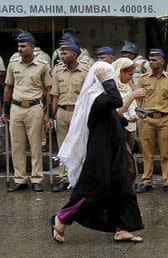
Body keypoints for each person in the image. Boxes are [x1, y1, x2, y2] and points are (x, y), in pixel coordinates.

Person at [51, 62, 144, 244]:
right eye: (109, 76)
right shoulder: (94, 97)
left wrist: (125, 119)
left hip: (114, 151)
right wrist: (105, 80)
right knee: (93, 190)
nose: (112, 80)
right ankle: (61, 217)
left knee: (123, 187)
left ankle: (122, 228)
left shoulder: (102, 97)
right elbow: (116, 101)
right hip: (101, 153)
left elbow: (111, 116)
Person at [4, 31, 52, 192]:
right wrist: (5, 111)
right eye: (19, 46)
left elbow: (48, 90)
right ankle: (20, 179)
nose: (20, 48)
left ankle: (37, 178)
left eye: (23, 46)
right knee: (17, 146)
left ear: (32, 47)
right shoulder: (13, 64)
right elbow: (8, 87)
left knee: (36, 145)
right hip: (16, 107)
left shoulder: (43, 66)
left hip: (34, 108)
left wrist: (48, 113)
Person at [134, 49, 168, 194]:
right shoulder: (143, 78)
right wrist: (139, 112)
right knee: (147, 153)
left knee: (166, 153)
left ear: (162, 61)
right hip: (147, 119)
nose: (151, 62)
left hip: (165, 118)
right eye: (150, 60)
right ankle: (147, 181)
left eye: (154, 60)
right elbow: (138, 99)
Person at [49, 41, 90, 192]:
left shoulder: (86, 71)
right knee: (63, 147)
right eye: (61, 53)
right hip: (62, 112)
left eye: (65, 53)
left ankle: (80, 178)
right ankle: (64, 178)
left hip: (79, 113)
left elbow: (89, 96)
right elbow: (54, 96)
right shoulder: (58, 71)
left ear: (75, 54)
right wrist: (51, 117)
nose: (62, 55)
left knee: (81, 146)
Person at [111, 58, 146, 151]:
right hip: (116, 130)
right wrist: (133, 96)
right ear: (120, 71)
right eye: (129, 74)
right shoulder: (111, 89)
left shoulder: (127, 87)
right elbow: (117, 113)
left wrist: (134, 115)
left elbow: (131, 107)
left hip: (129, 130)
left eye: (133, 75)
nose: (131, 77)